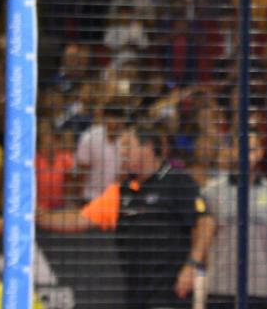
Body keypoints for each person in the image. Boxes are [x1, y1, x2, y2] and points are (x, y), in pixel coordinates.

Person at [38, 124, 214, 309]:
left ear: (147, 148)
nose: (122, 152)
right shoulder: (122, 192)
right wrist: (41, 217)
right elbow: (79, 219)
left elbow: (206, 222)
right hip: (135, 294)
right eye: (121, 147)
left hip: (171, 293)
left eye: (128, 146)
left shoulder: (178, 182)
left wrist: (192, 265)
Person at [200, 130, 267, 309]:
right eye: (241, 149)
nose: (247, 155)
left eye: (252, 149)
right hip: (220, 287)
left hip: (260, 289)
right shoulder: (211, 191)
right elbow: (201, 236)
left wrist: (262, 262)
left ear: (261, 152)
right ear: (232, 151)